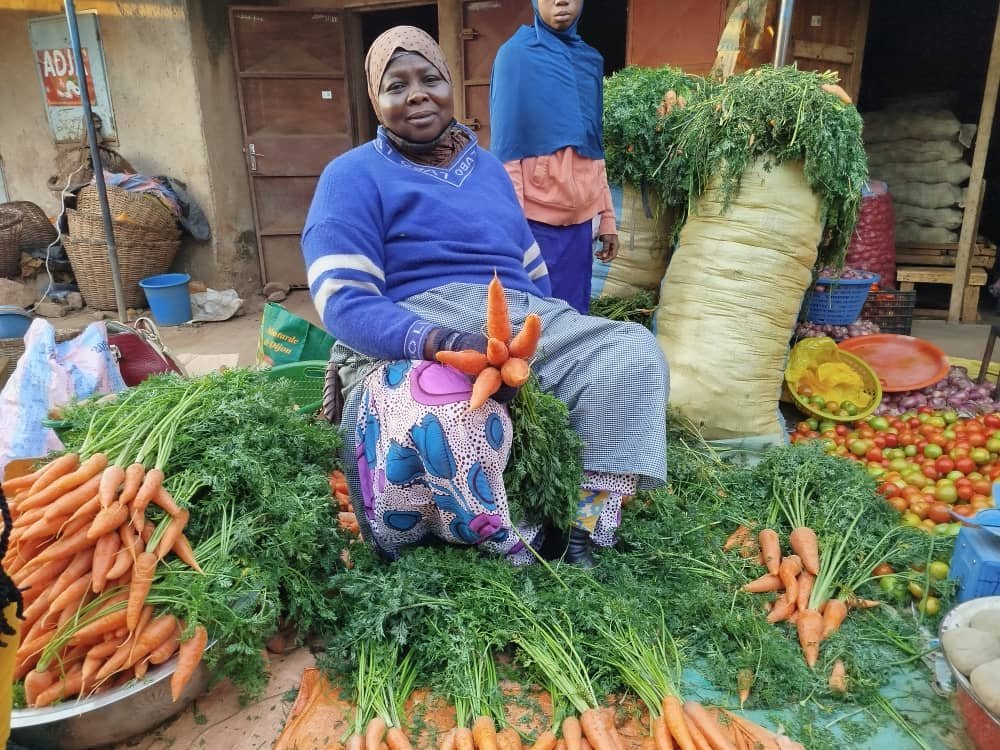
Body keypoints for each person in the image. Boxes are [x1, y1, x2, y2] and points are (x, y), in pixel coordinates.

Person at [301, 26, 667, 567]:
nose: (417, 94)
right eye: (396, 85)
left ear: (451, 86)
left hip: (516, 323)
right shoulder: (350, 177)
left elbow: (531, 276)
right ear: (375, 100)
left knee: (632, 351)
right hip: (411, 335)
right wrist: (440, 341)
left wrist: (530, 344)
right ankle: (505, 538)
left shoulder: (490, 171)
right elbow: (343, 302)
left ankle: (580, 523)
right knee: (443, 417)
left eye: (430, 78)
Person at [489, 0, 617, 314]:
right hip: (535, 226)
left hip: (580, 227)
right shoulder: (515, 57)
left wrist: (607, 219)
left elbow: (593, 146)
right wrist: (514, 229)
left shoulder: (589, 61)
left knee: (574, 319)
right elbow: (508, 149)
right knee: (534, 325)